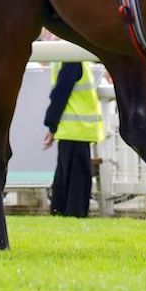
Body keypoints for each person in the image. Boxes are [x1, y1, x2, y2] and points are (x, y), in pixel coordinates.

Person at [41, 61, 105, 217]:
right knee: (77, 186)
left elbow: (59, 93)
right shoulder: (74, 58)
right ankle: (74, 218)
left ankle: (61, 218)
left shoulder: (67, 58)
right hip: (77, 131)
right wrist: (52, 124)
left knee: (64, 183)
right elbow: (61, 93)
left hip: (71, 131)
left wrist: (52, 126)